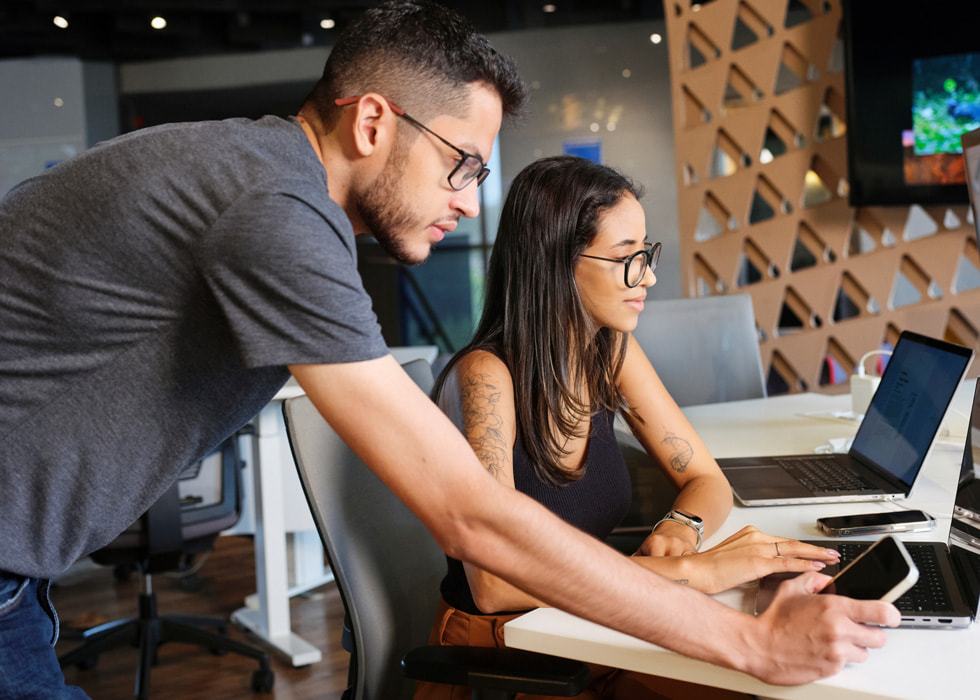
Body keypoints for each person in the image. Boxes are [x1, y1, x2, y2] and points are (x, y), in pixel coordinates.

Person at [0, 2, 897, 698]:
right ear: (374, 122)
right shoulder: (270, 210)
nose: (474, 198)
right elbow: (472, 518)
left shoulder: (260, 187)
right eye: (463, 164)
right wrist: (747, 638)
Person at [415, 155, 845, 700]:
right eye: (627, 257)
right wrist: (700, 574)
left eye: (647, 253)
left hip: (587, 626)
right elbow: (497, 585)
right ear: (555, 263)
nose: (649, 276)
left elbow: (707, 481)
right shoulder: (485, 378)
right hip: (511, 651)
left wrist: (680, 528)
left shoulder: (608, 349)